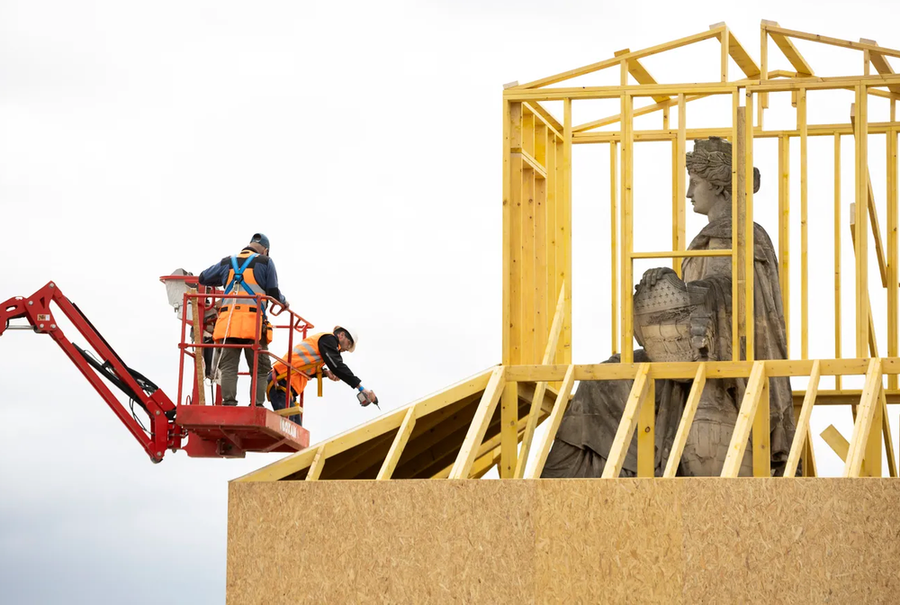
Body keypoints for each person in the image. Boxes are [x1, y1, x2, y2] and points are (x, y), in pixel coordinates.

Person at [542, 137, 795, 477]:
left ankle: (580, 480)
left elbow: (732, 295)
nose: (689, 192)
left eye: (695, 182)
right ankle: (579, 480)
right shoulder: (713, 236)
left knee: (604, 384)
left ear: (717, 185)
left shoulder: (740, 235)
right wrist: (667, 286)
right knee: (606, 374)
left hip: (724, 367)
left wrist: (675, 287)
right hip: (690, 360)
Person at [198, 233, 289, 407]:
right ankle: (257, 405)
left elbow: (203, 278)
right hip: (253, 325)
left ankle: (228, 404)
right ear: (265, 250)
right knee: (260, 368)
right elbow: (273, 293)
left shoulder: (227, 262)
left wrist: (224, 278)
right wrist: (284, 302)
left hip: (228, 324)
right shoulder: (265, 262)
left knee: (228, 366)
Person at [267, 326, 376, 424]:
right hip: (280, 381)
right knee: (289, 429)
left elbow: (306, 365)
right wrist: (360, 388)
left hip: (286, 385)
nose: (347, 349)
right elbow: (337, 366)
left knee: (295, 429)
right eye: (349, 344)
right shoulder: (328, 339)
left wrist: (325, 372)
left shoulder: (325, 343)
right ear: (341, 335)